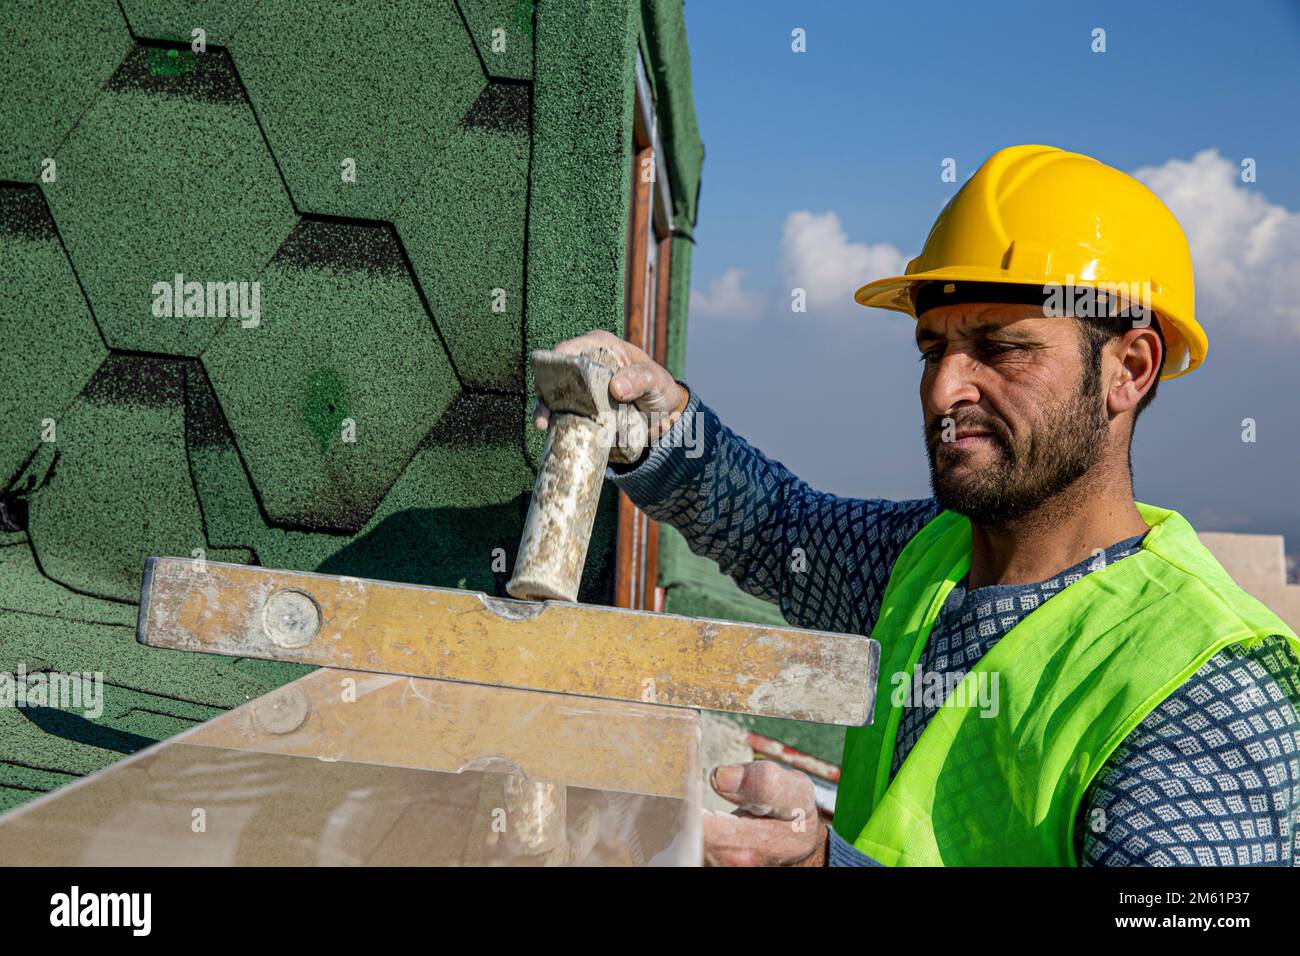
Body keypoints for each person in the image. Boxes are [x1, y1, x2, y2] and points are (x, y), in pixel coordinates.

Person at [532, 146, 1300, 866]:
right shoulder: (926, 558)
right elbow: (777, 529)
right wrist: (657, 424)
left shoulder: (1211, 690)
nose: (943, 390)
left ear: (1128, 369)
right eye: (934, 350)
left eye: (1001, 349)